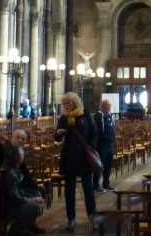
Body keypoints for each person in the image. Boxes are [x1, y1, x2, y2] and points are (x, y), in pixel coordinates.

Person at [54, 91, 96, 231]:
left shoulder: (85, 114)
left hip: (84, 156)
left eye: (68, 103)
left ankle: (92, 216)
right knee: (69, 190)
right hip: (69, 156)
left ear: (75, 102)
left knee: (88, 188)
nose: (66, 105)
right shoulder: (63, 118)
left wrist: (91, 147)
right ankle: (70, 219)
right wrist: (58, 134)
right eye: (64, 103)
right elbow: (57, 137)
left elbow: (94, 132)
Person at [0, 142, 44, 236]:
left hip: (12, 203)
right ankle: (17, 230)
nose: (23, 156)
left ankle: (21, 228)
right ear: (17, 157)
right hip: (8, 207)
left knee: (36, 201)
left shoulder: (15, 169)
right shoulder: (10, 173)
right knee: (35, 207)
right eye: (22, 154)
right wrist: (32, 199)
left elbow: (20, 189)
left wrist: (33, 196)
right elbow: (14, 196)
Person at [92, 99, 116, 193]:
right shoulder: (98, 116)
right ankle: (96, 185)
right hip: (101, 145)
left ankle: (106, 183)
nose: (109, 107)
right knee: (100, 165)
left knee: (108, 165)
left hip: (110, 144)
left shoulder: (109, 115)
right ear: (102, 106)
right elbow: (97, 131)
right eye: (107, 106)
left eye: (110, 105)